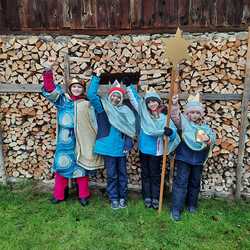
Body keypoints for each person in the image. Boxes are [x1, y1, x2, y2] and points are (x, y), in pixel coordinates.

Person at [42, 57, 103, 206]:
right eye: (74, 87)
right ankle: (59, 194)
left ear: (82, 89)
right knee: (61, 167)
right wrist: (48, 71)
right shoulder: (63, 100)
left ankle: (83, 195)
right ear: (69, 88)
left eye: (79, 87)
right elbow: (50, 89)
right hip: (64, 140)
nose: (76, 89)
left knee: (81, 168)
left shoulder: (86, 103)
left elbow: (94, 98)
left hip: (81, 140)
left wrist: (96, 77)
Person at [87, 68, 136, 210]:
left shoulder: (125, 111)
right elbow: (91, 94)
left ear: (121, 99)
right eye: (113, 96)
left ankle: (123, 198)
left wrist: (128, 143)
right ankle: (114, 198)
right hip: (108, 148)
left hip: (121, 148)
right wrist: (96, 77)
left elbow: (129, 130)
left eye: (118, 97)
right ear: (109, 96)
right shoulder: (102, 109)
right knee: (112, 175)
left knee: (122, 175)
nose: (115, 99)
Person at [126, 84, 180, 209]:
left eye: (154, 101)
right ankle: (147, 197)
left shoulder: (164, 118)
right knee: (145, 174)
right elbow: (135, 100)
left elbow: (173, 132)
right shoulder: (144, 114)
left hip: (157, 151)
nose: (152, 104)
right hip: (144, 149)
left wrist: (169, 133)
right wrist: (129, 86)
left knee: (155, 175)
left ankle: (156, 197)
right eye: (149, 102)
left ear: (158, 102)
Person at [170, 93, 216, 221]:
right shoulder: (183, 124)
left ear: (201, 114)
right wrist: (174, 104)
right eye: (192, 112)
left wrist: (208, 139)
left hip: (198, 160)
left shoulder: (204, 127)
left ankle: (191, 205)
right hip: (184, 157)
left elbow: (212, 137)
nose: (194, 115)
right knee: (181, 183)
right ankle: (176, 209)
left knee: (195, 183)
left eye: (197, 112)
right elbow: (175, 116)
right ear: (187, 113)